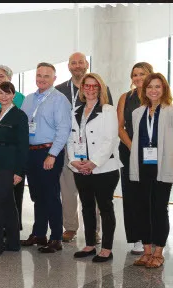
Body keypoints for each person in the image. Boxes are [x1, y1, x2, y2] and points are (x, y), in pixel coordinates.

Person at [128, 73, 173, 268]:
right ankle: (146, 251)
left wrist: (169, 162)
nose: (153, 90)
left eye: (158, 86)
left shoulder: (172, 112)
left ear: (164, 89)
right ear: (144, 90)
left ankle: (158, 252)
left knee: (159, 209)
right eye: (150, 86)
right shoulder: (137, 112)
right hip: (142, 167)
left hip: (161, 168)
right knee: (142, 208)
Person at [55, 52, 111, 242]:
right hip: (69, 148)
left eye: (81, 62)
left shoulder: (101, 88)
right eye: (73, 63)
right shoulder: (60, 90)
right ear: (68, 66)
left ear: (86, 64)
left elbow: (107, 121)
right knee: (68, 190)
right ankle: (70, 227)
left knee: (93, 195)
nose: (77, 66)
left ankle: (93, 230)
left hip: (93, 151)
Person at [67, 74, 121, 263]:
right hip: (80, 167)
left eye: (94, 86)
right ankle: (90, 244)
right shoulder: (76, 111)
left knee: (105, 207)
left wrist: (93, 162)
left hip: (104, 168)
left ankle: (106, 248)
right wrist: (74, 160)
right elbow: (71, 138)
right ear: (82, 89)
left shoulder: (108, 110)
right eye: (87, 86)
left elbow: (110, 140)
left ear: (100, 89)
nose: (90, 89)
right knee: (87, 206)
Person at [19, 62, 72, 253]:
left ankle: (56, 237)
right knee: (37, 195)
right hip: (31, 152)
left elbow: (63, 129)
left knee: (50, 195)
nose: (41, 79)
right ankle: (39, 233)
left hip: (49, 152)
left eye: (46, 76)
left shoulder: (59, 99)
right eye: (39, 75)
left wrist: (52, 155)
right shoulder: (28, 99)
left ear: (54, 79)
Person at [0, 82, 29, 258]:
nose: (3, 96)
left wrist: (19, 171)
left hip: (10, 165)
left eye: (7, 93)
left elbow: (23, 146)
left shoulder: (19, 115)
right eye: (0, 93)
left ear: (13, 95)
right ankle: (13, 242)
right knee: (9, 203)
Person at [116, 62, 155, 255]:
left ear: (150, 75)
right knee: (132, 195)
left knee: (152, 194)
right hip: (129, 151)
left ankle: (154, 234)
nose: (138, 78)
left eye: (142, 74)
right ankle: (137, 237)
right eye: (134, 75)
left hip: (153, 153)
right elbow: (120, 127)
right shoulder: (126, 97)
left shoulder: (157, 95)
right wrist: (132, 147)